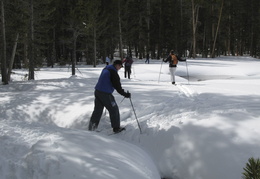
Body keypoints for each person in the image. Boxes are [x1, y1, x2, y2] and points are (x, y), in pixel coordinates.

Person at [88, 60, 131, 133]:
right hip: (105, 94)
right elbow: (117, 86)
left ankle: (92, 128)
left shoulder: (106, 68)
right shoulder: (113, 72)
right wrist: (125, 94)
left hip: (98, 91)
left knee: (97, 111)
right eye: (120, 66)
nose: (120, 68)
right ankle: (116, 128)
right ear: (117, 65)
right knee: (114, 109)